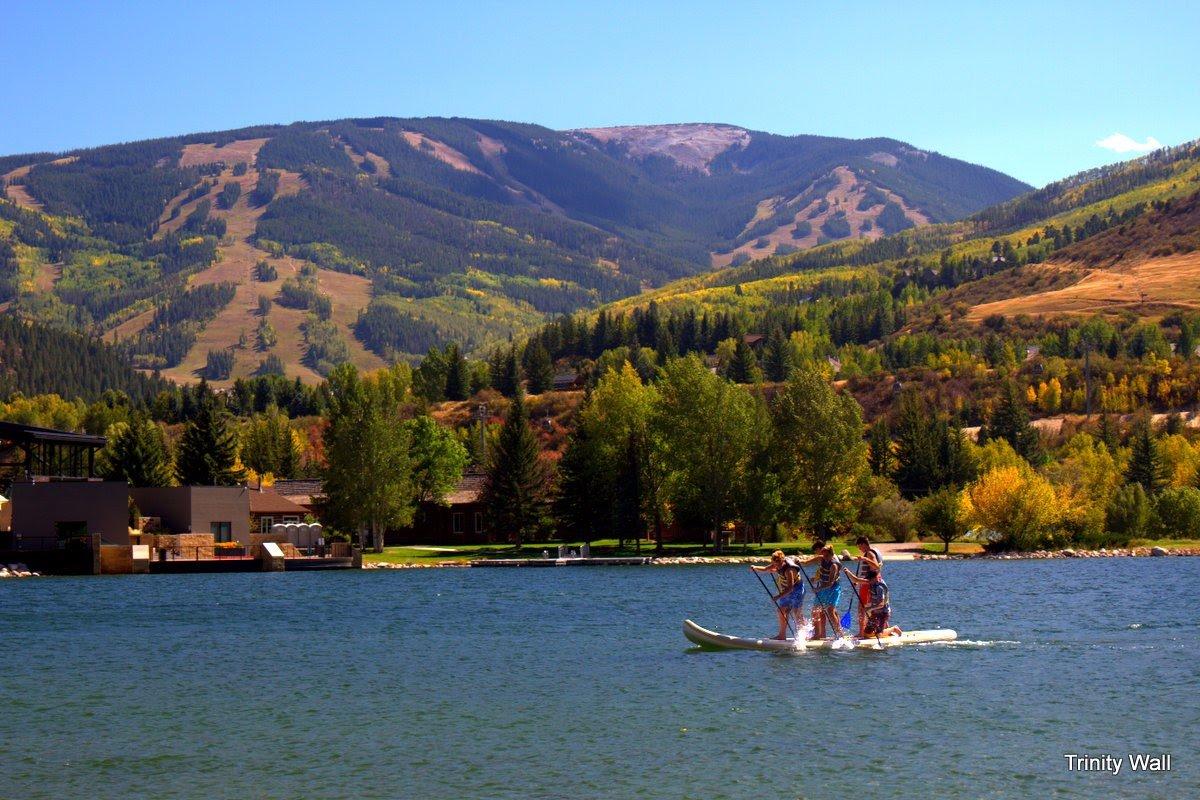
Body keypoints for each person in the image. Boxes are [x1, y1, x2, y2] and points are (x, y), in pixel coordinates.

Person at [750, 550, 805, 640]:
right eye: (775, 562)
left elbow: (791, 588)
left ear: (782, 560)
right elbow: (765, 569)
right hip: (786, 590)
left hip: (796, 589)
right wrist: (755, 567)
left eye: (779, 562)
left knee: (796, 612)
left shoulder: (789, 570)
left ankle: (804, 635)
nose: (777, 565)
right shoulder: (775, 563)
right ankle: (782, 636)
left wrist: (778, 596)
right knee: (781, 611)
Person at [845, 563, 902, 638]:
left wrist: (869, 608)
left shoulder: (880, 587)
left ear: (875, 578)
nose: (868, 581)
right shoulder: (871, 581)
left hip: (883, 613)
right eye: (868, 579)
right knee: (866, 634)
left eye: (870, 579)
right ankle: (883, 631)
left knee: (879, 634)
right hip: (875, 612)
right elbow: (856, 580)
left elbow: (881, 604)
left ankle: (893, 629)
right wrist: (848, 572)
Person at [802, 545, 843, 639]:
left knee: (830, 611)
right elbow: (806, 562)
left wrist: (818, 589)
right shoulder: (821, 558)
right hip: (822, 587)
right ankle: (817, 635)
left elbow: (830, 583)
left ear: (829, 554)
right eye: (822, 553)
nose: (822, 555)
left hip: (833, 588)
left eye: (824, 553)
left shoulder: (834, 565)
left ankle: (840, 635)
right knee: (816, 611)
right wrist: (799, 562)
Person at [849, 536, 883, 636]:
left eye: (860, 546)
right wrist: (858, 582)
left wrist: (864, 558)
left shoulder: (869, 553)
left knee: (861, 608)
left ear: (864, 544)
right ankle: (882, 628)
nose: (859, 549)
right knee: (871, 607)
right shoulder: (871, 552)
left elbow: (876, 566)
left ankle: (861, 632)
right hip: (867, 582)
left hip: (868, 584)